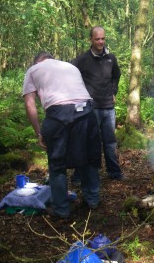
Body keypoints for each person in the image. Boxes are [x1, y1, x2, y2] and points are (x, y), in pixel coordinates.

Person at [23, 52, 101, 219]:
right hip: (87, 112)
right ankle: (92, 200)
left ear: (38, 62)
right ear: (52, 59)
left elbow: (30, 103)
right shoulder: (70, 67)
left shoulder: (33, 70)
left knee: (57, 164)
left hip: (58, 114)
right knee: (88, 158)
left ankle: (61, 210)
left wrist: (39, 132)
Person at [71, 26, 125, 182]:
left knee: (110, 142)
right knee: (86, 142)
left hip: (108, 107)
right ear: (91, 40)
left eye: (103, 38)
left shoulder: (111, 58)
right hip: (90, 108)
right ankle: (79, 175)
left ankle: (114, 172)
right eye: (97, 39)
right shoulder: (82, 60)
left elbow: (117, 75)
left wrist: (113, 92)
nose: (101, 42)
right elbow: (70, 76)